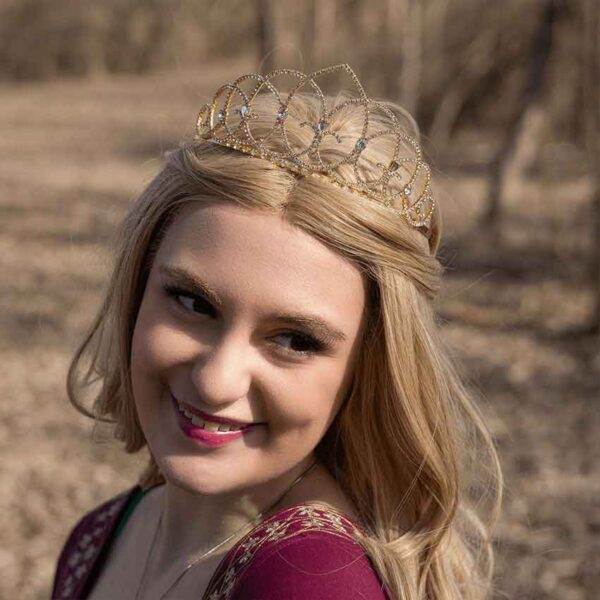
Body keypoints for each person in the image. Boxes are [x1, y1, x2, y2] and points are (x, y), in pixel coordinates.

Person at [51, 64, 503, 600]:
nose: (218, 380)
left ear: (367, 368)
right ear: (136, 292)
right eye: (193, 302)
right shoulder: (100, 536)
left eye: (294, 341)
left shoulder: (310, 583)